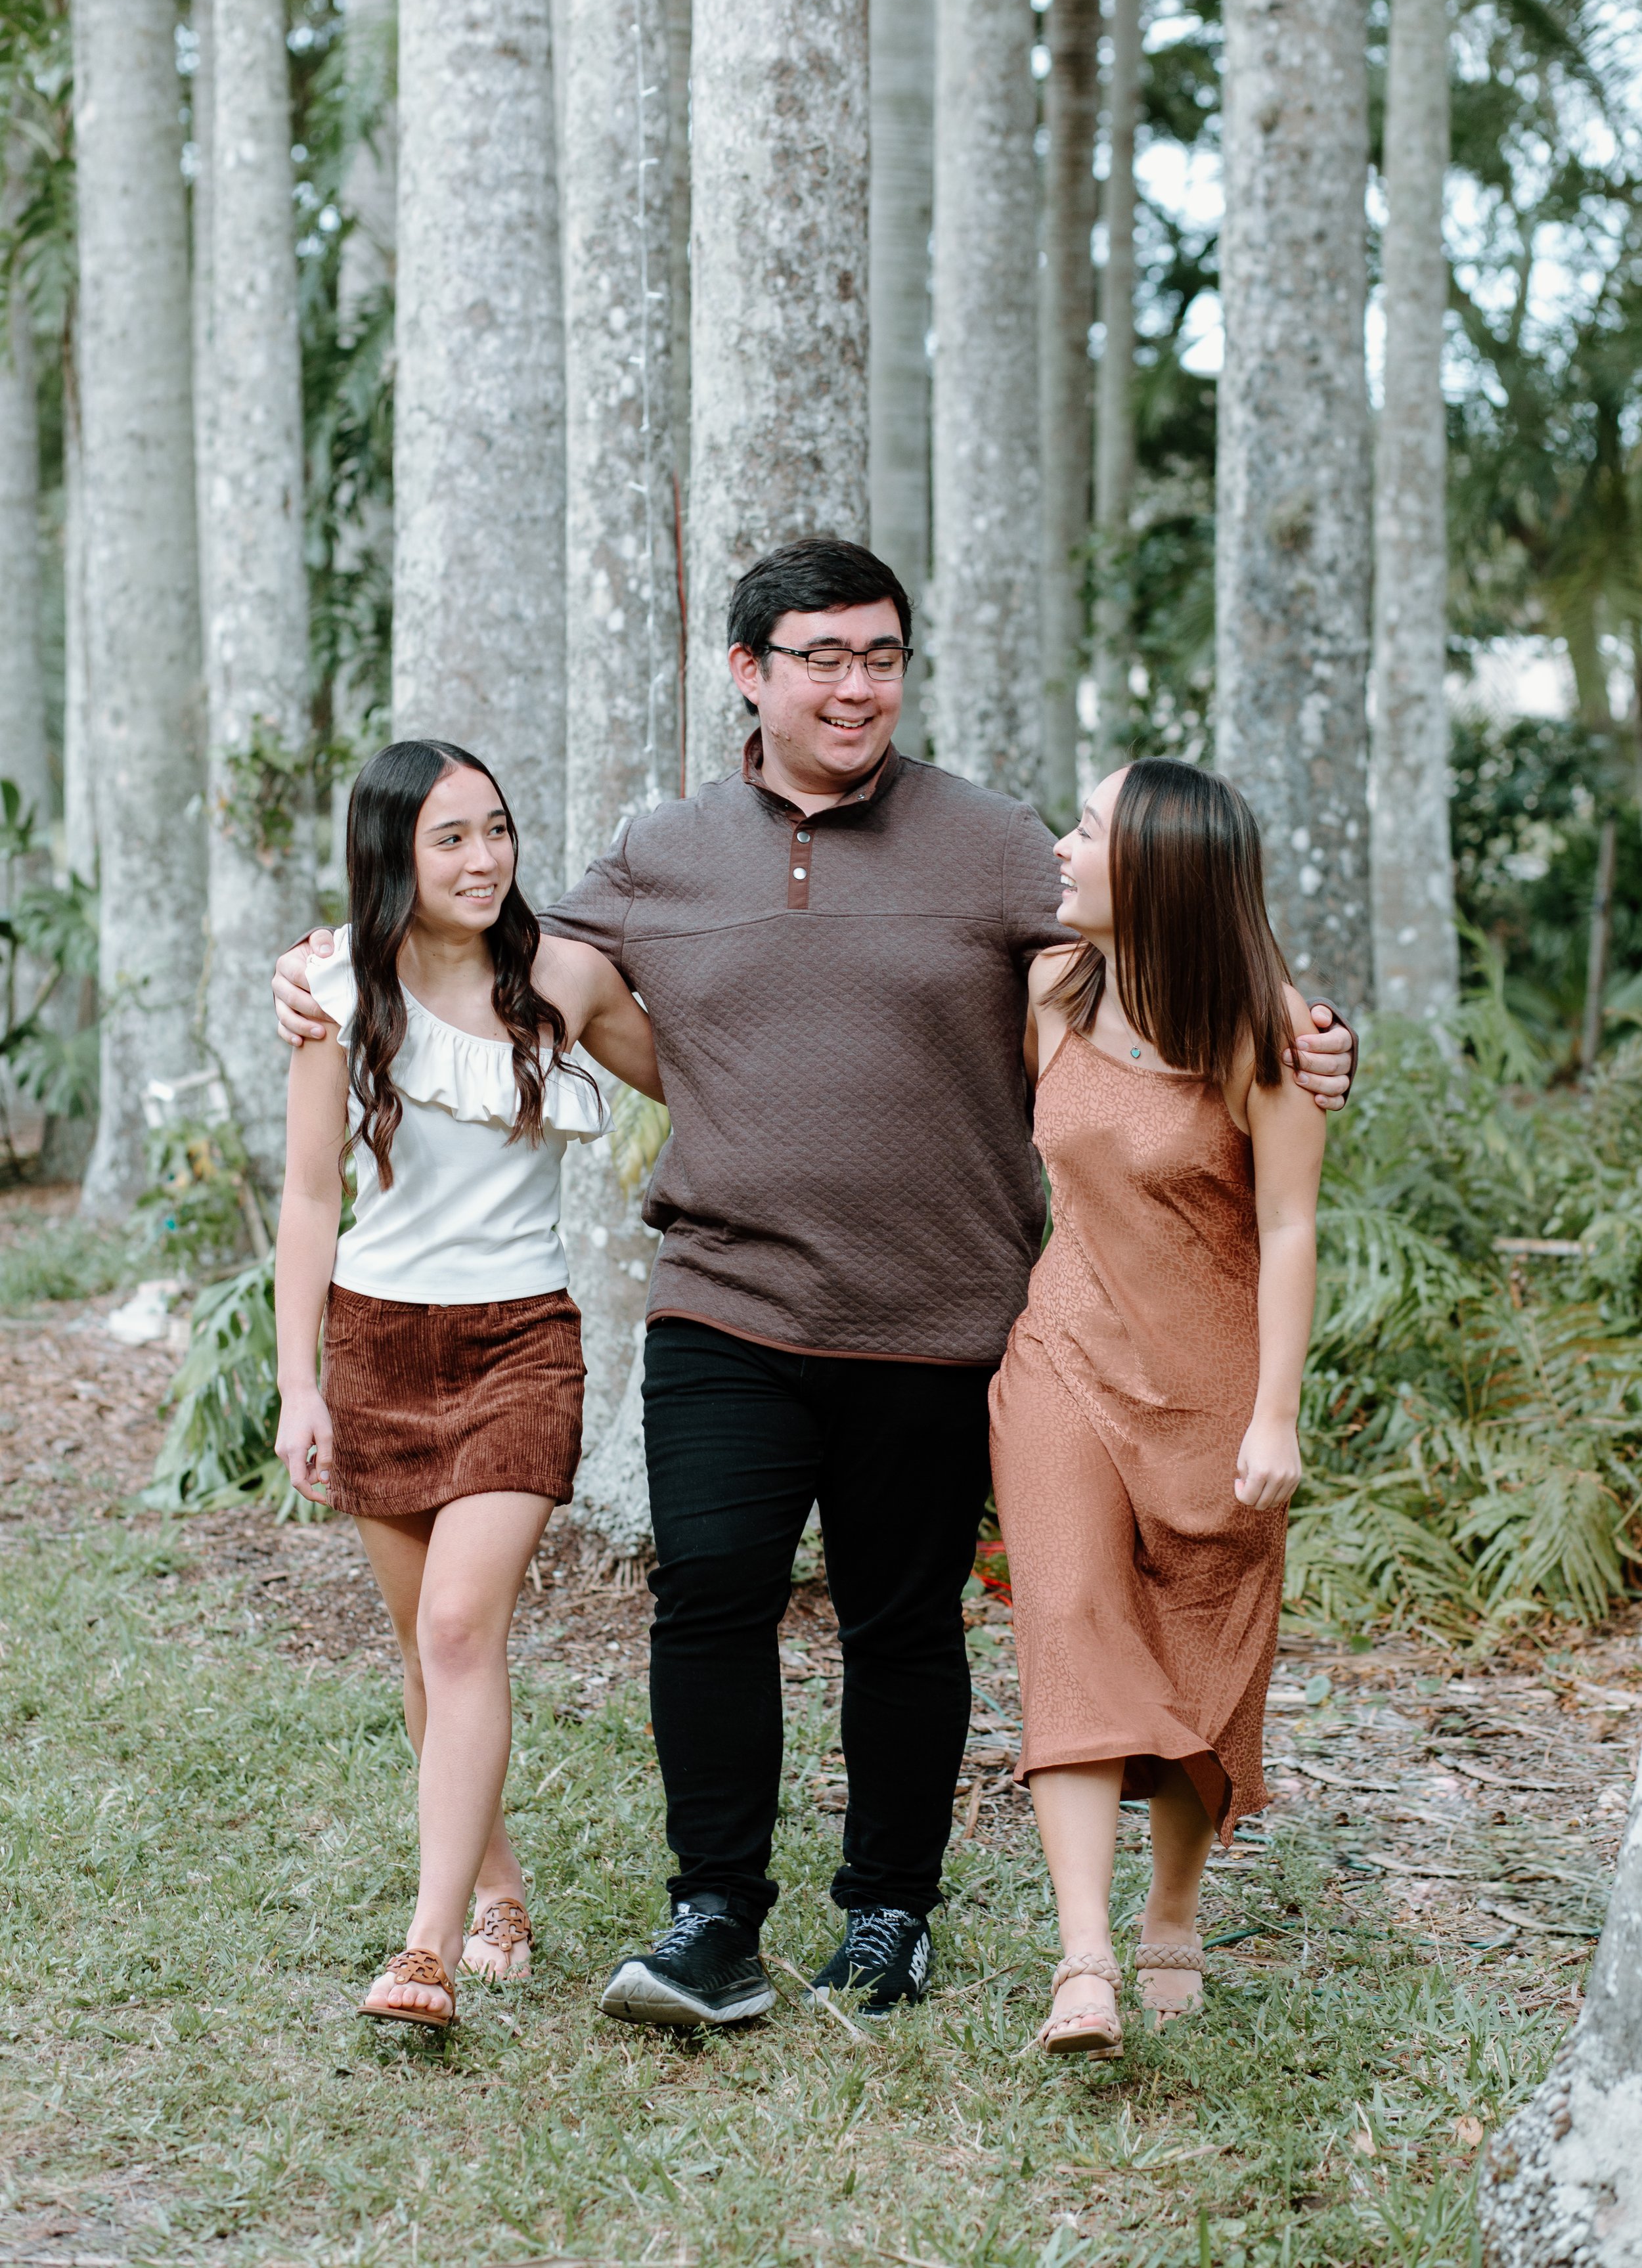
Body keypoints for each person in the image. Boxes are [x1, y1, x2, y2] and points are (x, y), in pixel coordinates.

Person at [271, 540, 1354, 2031]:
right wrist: (329, 963)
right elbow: (503, 954)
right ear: (748, 672)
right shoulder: (663, 850)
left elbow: (1164, 956)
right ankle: (713, 1916)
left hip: (938, 1311)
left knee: (901, 1625)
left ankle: (888, 1915)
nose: (857, 686)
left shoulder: (990, 842)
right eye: (824, 657)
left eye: (882, 657)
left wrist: (1308, 1029)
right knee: (708, 1595)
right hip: (723, 1295)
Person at [273, 739, 663, 2028]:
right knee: (422, 1647)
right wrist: (299, 1386)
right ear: (393, 854)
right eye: (450, 837)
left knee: (456, 1628)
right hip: (376, 1344)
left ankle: (425, 1948)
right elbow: (311, 1197)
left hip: (520, 1345)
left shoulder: (565, 976)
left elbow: (699, 1071)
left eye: (496, 828)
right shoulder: (333, 987)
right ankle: (495, 1886)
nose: (484, 857)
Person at [990, 757, 1325, 2058]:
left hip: (1213, 1387)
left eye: (1087, 831)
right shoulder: (1049, 988)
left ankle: (1169, 1914)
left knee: (1204, 1650)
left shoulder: (1267, 1034)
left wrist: (1275, 1415)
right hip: (1063, 1356)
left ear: (1158, 871)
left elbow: (1288, 1226)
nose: (1062, 849)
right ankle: (1082, 1959)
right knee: (1066, 1615)